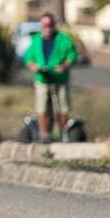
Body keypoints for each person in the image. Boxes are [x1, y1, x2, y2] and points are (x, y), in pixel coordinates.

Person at [23, 12, 78, 143]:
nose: (47, 28)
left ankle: (64, 134)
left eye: (49, 25)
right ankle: (44, 134)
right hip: (42, 78)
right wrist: (33, 66)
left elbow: (72, 56)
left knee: (62, 107)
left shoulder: (63, 39)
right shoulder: (36, 40)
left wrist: (64, 66)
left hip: (59, 78)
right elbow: (28, 58)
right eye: (44, 25)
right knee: (42, 107)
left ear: (53, 25)